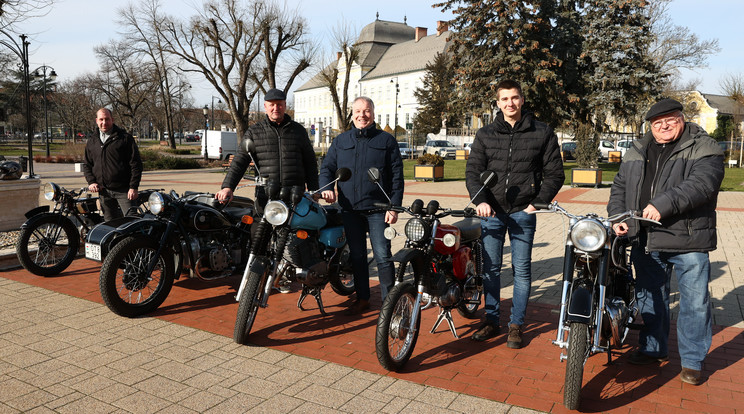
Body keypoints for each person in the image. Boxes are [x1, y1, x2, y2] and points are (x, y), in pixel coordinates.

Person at [608, 98, 724, 385]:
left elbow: (702, 185)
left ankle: (693, 361)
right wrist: (616, 217)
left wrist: (663, 204)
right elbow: (620, 186)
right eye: (657, 123)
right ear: (650, 125)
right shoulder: (638, 149)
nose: (664, 126)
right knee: (651, 298)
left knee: (695, 303)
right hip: (645, 237)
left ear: (681, 119)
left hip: (688, 238)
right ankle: (652, 348)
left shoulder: (704, 146)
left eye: (670, 120)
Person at [465, 79, 564, 347]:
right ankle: (492, 319)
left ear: (522, 100)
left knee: (521, 270)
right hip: (491, 213)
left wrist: (539, 202)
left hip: (523, 211)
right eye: (505, 99)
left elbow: (555, 173)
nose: (510, 103)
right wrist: (480, 200)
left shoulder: (542, 132)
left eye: (515, 98)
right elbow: (473, 172)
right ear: (497, 103)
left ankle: (516, 325)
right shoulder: (485, 134)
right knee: (491, 269)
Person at [216, 88, 319, 293]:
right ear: (265, 107)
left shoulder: (298, 131)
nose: (276, 108)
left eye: (279, 104)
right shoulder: (255, 132)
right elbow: (239, 162)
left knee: (289, 239)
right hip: (266, 196)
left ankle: (284, 276)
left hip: (294, 196)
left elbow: (310, 162)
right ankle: (255, 279)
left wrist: (315, 190)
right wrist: (227, 186)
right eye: (271, 104)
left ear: (284, 106)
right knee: (258, 237)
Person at [319, 96, 404, 315]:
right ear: (352, 113)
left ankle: (388, 303)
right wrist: (325, 188)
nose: (362, 115)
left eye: (366, 111)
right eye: (358, 111)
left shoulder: (386, 141)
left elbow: (396, 177)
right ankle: (363, 298)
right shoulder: (341, 141)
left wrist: (394, 207)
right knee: (357, 256)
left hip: (378, 209)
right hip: (350, 208)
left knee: (383, 256)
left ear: (373, 113)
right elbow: (327, 168)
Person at [83, 108, 143, 222]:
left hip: (124, 191)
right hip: (104, 191)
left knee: (132, 223)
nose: (104, 122)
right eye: (101, 119)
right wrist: (91, 182)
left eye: (107, 119)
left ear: (112, 120)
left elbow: (136, 164)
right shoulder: (92, 141)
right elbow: (87, 164)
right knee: (110, 225)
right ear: (96, 121)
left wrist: (133, 187)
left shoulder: (124, 138)